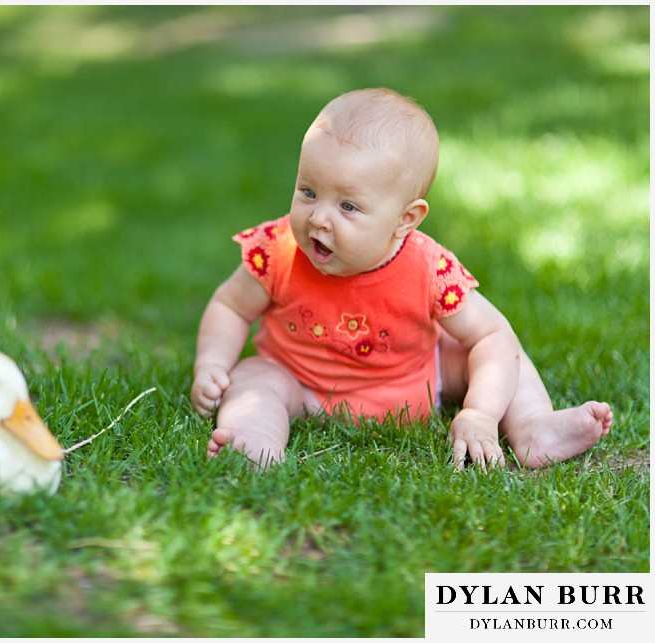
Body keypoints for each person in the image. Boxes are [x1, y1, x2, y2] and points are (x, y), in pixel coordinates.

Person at [190, 87, 612, 470]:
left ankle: (533, 426)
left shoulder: (428, 268)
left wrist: (480, 412)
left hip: (420, 382)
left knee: (497, 351)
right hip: (302, 387)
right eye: (308, 191)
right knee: (255, 378)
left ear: (405, 220)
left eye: (349, 207)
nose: (319, 218)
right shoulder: (278, 248)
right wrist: (212, 365)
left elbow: (492, 336)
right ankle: (256, 441)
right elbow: (230, 305)